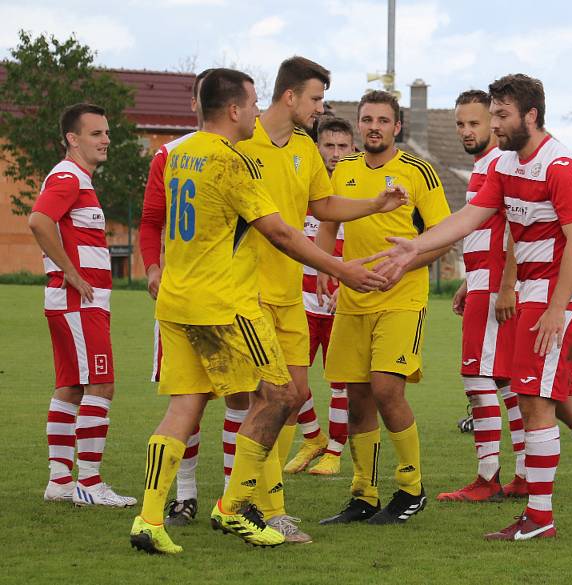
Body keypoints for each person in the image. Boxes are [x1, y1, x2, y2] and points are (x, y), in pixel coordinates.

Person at [380, 74, 572, 539]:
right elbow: (471, 216)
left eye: (502, 115)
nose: (495, 124)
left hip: (555, 301)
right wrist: (415, 247)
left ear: (531, 115)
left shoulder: (560, 166)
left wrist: (557, 308)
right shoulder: (507, 164)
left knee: (533, 401)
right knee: (563, 400)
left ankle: (539, 518)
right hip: (535, 298)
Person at [128, 68, 389, 554]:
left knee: (184, 408)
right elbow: (283, 234)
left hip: (177, 303)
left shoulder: (178, 154)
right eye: (249, 104)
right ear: (232, 110)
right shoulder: (232, 163)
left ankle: (148, 518)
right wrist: (341, 269)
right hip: (227, 304)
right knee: (281, 396)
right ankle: (234, 507)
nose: (254, 111)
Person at [235, 56, 407, 541]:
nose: (321, 108)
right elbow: (281, 234)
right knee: (268, 399)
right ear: (290, 97)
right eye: (316, 99)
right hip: (248, 293)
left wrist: (374, 203)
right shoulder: (243, 147)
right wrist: (341, 269)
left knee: (286, 399)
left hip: (289, 293)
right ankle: (255, 508)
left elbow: (323, 206)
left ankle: (254, 505)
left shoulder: (305, 150)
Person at [317, 90, 452, 525]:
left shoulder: (419, 172)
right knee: (356, 400)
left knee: (387, 389)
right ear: (359, 125)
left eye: (383, 120)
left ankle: (411, 489)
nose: (374, 126)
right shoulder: (344, 170)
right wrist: (327, 266)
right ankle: (364, 494)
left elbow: (443, 235)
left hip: (402, 299)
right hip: (353, 299)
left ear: (397, 127)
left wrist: (407, 261)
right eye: (367, 119)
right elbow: (328, 219)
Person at [139, 68, 246, 528]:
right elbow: (149, 220)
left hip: (232, 296)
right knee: (192, 403)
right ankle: (185, 497)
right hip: (191, 296)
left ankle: (231, 497)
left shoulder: (239, 154)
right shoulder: (171, 153)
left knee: (240, 396)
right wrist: (151, 266)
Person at [30, 103, 137, 508]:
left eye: (106, 133)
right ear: (73, 139)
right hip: (78, 301)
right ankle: (89, 483)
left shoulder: (77, 179)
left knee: (71, 385)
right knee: (101, 384)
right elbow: (39, 221)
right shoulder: (68, 176)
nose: (106, 139)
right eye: (96, 134)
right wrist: (73, 274)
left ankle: (60, 481)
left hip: (76, 301)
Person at [437, 89, 527, 501]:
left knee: (476, 376)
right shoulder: (483, 167)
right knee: (505, 379)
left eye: (474, 123)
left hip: (494, 286)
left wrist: (503, 284)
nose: (466, 131)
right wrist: (467, 280)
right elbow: (484, 231)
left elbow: (514, 230)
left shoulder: (498, 165)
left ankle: (488, 477)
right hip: (483, 281)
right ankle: (524, 473)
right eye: (461, 123)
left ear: (493, 124)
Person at [298, 116, 357, 476]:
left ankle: (335, 450)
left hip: (342, 304)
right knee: (291, 381)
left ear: (354, 149)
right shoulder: (302, 189)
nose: (335, 154)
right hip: (300, 301)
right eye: (329, 146)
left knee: (340, 381)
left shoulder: (358, 196)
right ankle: (312, 437)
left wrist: (347, 287)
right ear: (317, 148)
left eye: (342, 147)